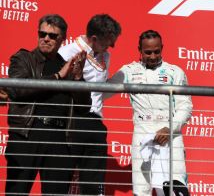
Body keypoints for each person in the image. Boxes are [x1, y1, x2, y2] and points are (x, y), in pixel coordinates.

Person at [5, 14, 91, 195]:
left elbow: (83, 108)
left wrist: (77, 78)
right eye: (42, 33)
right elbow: (17, 89)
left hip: (60, 140)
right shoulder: (23, 58)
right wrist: (58, 77)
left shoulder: (67, 66)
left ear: (62, 39)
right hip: (27, 135)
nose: (46, 38)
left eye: (52, 36)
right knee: (16, 192)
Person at [107, 30, 192, 196]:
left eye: (157, 51)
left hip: (170, 133)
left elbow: (186, 106)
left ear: (162, 48)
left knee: (175, 188)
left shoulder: (175, 72)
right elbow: (104, 92)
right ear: (139, 49)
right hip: (142, 131)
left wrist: (169, 128)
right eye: (148, 52)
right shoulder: (128, 71)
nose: (153, 56)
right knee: (141, 189)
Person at [58, 13, 121, 194]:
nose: (110, 47)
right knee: (62, 178)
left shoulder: (105, 56)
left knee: (93, 183)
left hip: (96, 123)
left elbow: (99, 92)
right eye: (107, 42)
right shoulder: (66, 52)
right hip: (72, 121)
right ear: (94, 38)